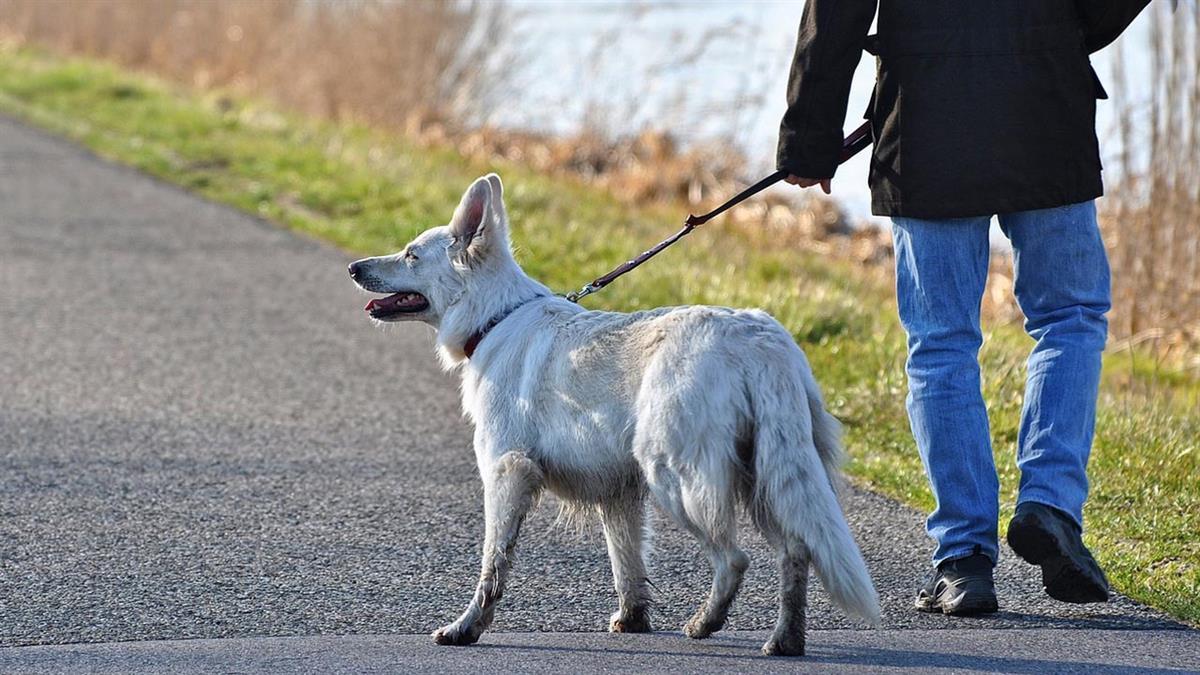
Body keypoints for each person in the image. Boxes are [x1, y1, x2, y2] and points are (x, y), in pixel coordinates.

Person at [777, 0, 1149, 615]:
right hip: (1043, 99)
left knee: (941, 342)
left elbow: (834, 11)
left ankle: (964, 561)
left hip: (927, 119)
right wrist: (1067, 27)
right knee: (1070, 319)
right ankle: (1049, 503)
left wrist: (808, 139)